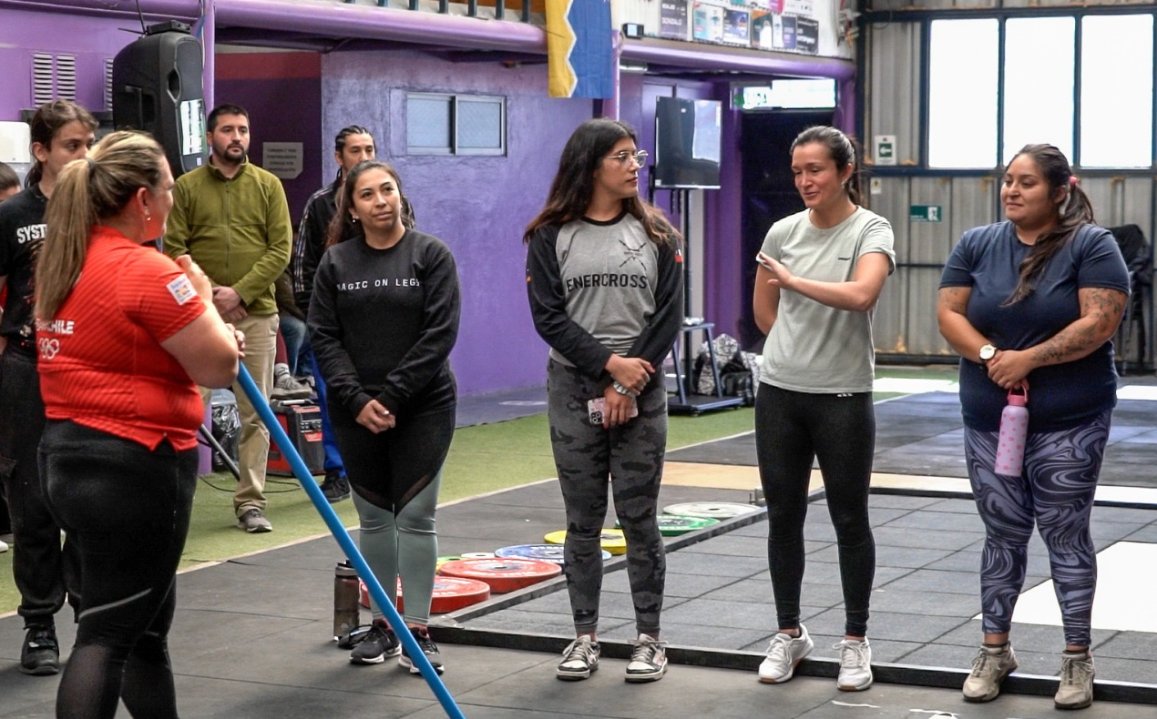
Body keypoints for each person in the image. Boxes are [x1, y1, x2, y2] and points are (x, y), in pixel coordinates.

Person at [34, 130, 241, 719]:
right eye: (169, 189)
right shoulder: (147, 271)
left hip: (69, 458)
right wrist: (202, 301)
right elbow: (219, 366)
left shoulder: (65, 260)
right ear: (143, 200)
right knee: (108, 635)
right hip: (134, 463)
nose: (174, 200)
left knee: (139, 628)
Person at [937, 144, 1129, 711]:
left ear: (1059, 191)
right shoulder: (977, 243)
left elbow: (1100, 322)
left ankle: (1077, 659)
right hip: (989, 417)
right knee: (1002, 533)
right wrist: (993, 355)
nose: (1012, 190)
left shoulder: (1092, 245)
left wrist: (1030, 359)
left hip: (1070, 419)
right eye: (1008, 180)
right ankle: (994, 651)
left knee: (1065, 533)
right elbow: (949, 313)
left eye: (1026, 182)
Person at [524, 118, 684, 683]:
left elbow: (668, 318)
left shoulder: (659, 235)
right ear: (591, 166)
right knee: (583, 520)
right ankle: (584, 637)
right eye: (621, 156)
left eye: (636, 156)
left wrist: (627, 381)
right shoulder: (550, 236)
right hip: (575, 388)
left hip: (642, 384)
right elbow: (549, 318)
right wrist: (608, 368)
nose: (634, 165)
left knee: (639, 518)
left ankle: (649, 640)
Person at [752, 125, 894, 692]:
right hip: (780, 394)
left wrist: (795, 281)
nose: (805, 181)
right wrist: (792, 346)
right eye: (797, 172)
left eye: (815, 170)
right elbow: (765, 313)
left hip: (843, 396)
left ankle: (856, 640)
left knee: (849, 518)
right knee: (783, 516)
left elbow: (862, 295)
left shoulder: (871, 229)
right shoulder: (782, 232)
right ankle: (789, 632)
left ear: (844, 172)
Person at [308, 159, 457, 674]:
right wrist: (356, 400)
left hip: (422, 405)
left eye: (387, 190)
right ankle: (383, 626)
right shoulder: (336, 263)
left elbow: (439, 334)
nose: (380, 201)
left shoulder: (430, 255)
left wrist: (392, 397)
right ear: (351, 208)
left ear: (400, 195)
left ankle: (418, 631)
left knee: (415, 517)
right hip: (356, 410)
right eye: (367, 194)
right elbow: (323, 336)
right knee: (373, 519)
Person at [164, 103, 292, 533]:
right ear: (210, 137)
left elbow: (280, 249)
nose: (237, 137)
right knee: (187, 409)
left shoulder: (269, 185)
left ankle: (251, 503)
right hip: (200, 319)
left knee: (257, 414)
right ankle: (175, 502)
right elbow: (174, 249)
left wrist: (240, 293)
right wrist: (212, 298)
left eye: (243, 129)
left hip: (257, 316)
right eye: (228, 130)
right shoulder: (186, 187)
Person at [0, 99, 96, 675]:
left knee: (89, 494)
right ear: (40, 151)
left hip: (88, 368)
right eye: (71, 145)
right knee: (31, 500)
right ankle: (39, 623)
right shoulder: (12, 214)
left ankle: (90, 614)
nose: (83, 155)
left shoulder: (103, 207)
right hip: (27, 368)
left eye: (88, 144)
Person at [293, 125, 379, 503]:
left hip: (377, 323)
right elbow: (302, 266)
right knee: (332, 399)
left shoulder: (393, 200)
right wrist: (315, 317)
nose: (364, 157)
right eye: (356, 150)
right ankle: (337, 471)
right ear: (338, 157)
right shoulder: (319, 204)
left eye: (369, 149)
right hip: (331, 325)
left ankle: (374, 469)